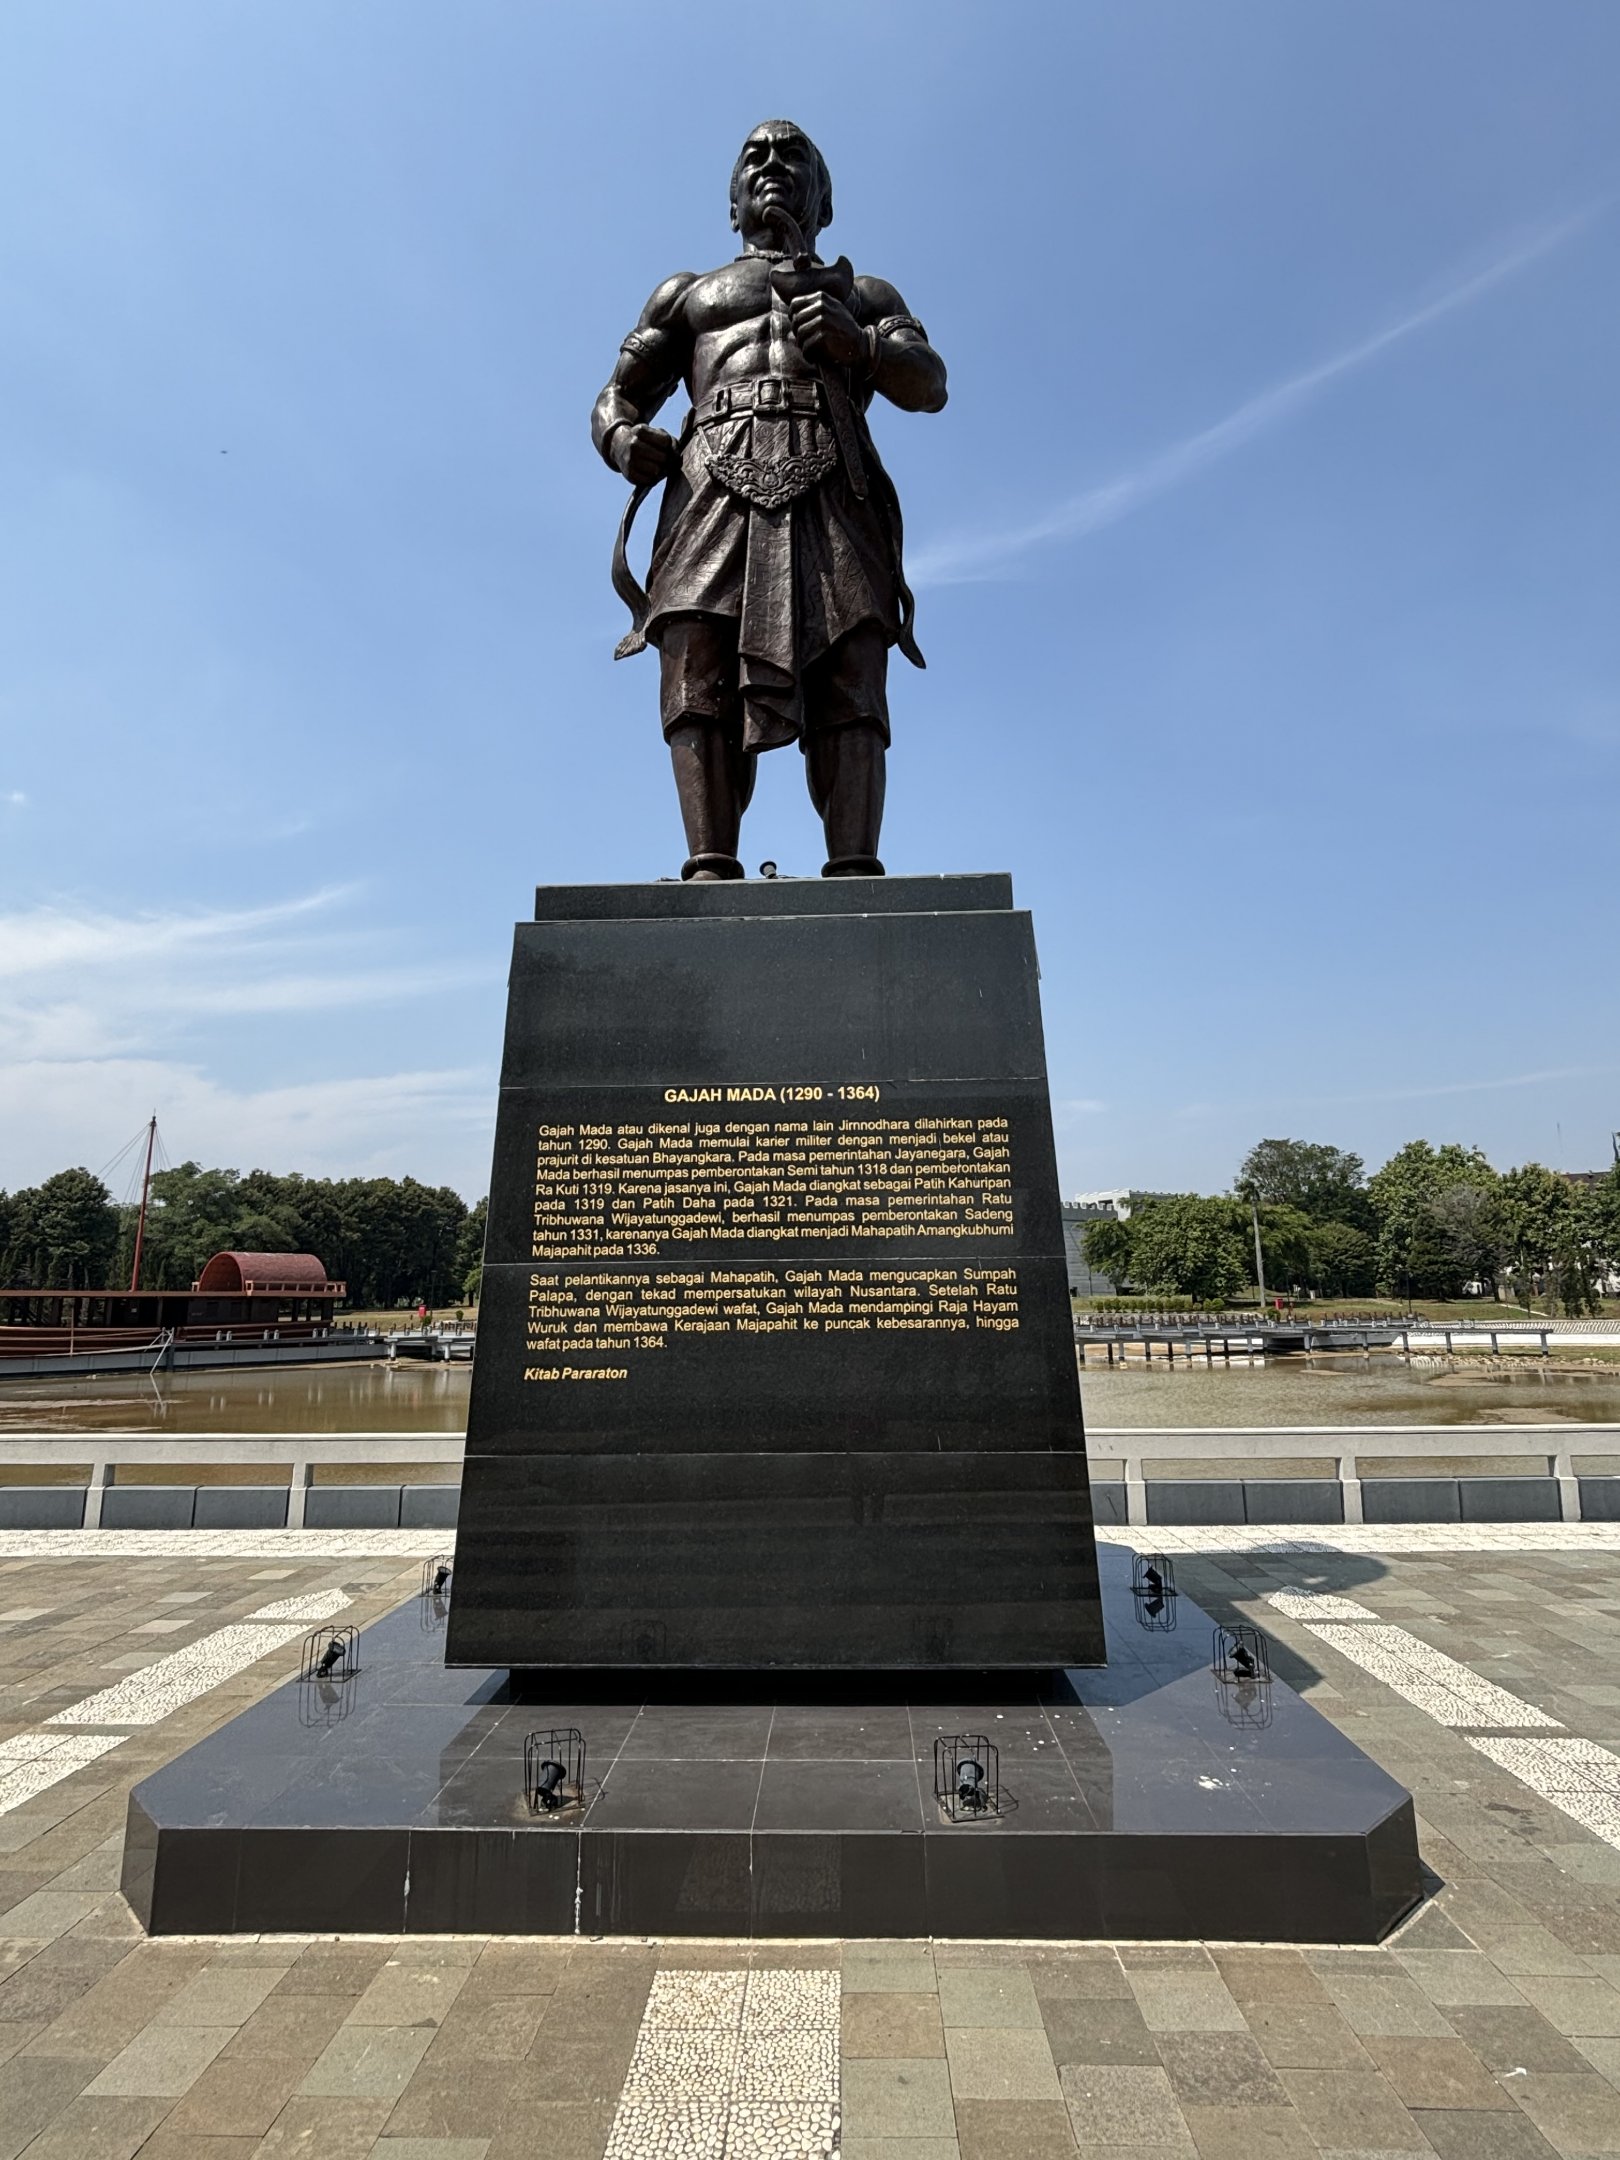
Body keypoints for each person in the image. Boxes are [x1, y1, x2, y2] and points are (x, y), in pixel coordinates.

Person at [592, 120, 947, 880]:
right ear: (732, 200)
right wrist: (624, 440)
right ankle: (709, 865)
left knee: (852, 660)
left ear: (824, 198)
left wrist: (864, 347)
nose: (774, 165)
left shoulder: (864, 293)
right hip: (709, 484)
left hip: (831, 480)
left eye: (794, 156)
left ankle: (855, 870)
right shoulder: (688, 295)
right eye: (756, 155)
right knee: (695, 658)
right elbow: (616, 397)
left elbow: (931, 383)